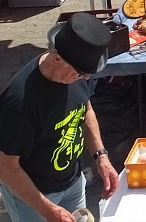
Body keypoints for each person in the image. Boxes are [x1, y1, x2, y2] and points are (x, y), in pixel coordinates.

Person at [0, 13, 120, 222]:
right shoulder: (20, 102)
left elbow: (86, 110)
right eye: (81, 73)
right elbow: (6, 167)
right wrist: (47, 210)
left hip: (72, 183)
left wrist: (101, 156)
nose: (86, 78)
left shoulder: (77, 73)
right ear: (57, 59)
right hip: (33, 197)